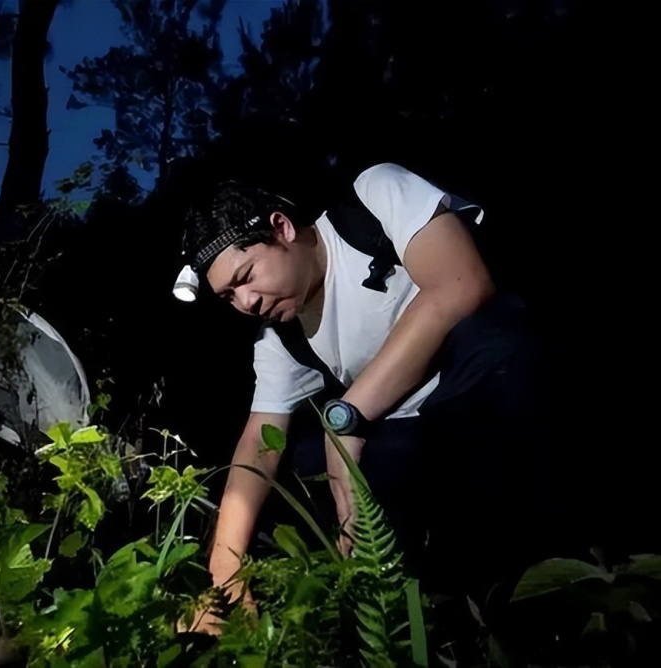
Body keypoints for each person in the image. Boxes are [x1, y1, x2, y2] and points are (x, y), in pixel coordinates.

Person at [175, 162, 553, 633]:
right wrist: (223, 574)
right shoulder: (281, 338)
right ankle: (403, 613)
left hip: (489, 395)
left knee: (505, 339)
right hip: (413, 439)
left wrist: (345, 420)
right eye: (229, 297)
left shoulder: (372, 200)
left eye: (246, 275)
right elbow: (258, 444)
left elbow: (462, 284)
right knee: (296, 462)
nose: (246, 303)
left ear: (282, 227)